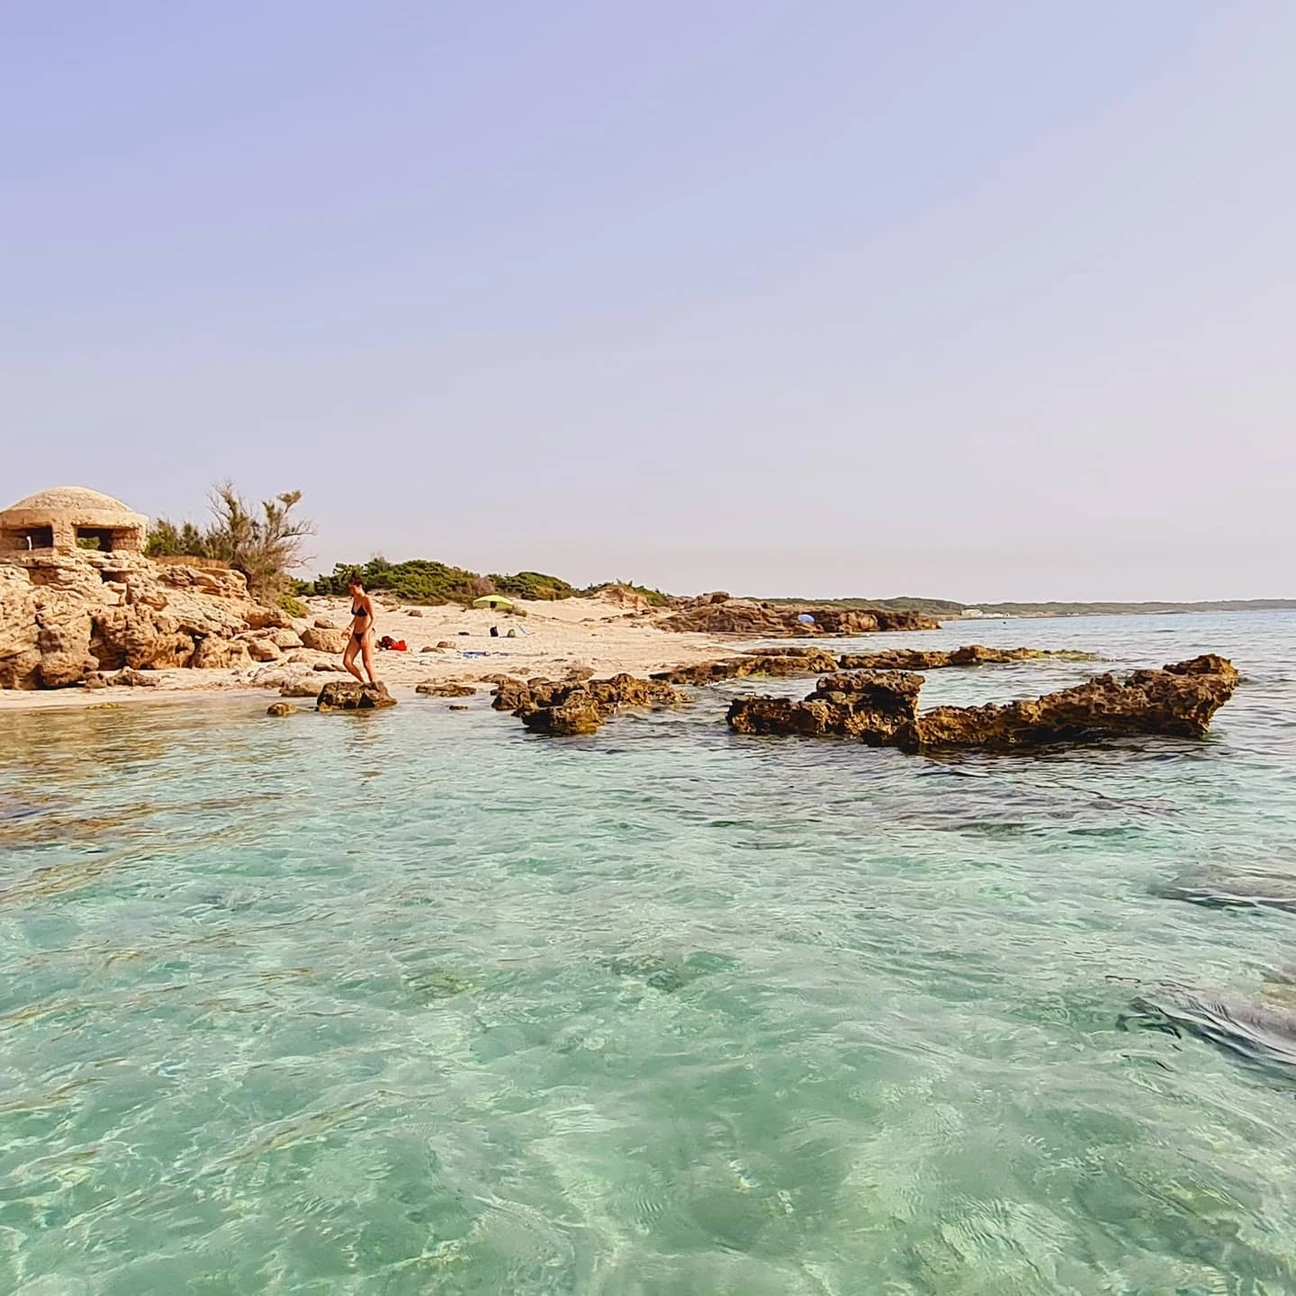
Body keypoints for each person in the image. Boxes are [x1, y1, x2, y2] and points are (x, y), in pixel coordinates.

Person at [343, 577, 380, 684]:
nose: (351, 591)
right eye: (350, 589)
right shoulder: (355, 599)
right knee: (347, 662)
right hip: (355, 634)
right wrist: (349, 628)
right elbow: (357, 617)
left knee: (367, 664)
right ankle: (363, 683)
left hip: (367, 634)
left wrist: (366, 634)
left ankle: (375, 686)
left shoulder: (366, 599)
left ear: (360, 586)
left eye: (353, 588)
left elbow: (374, 618)